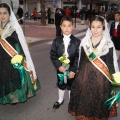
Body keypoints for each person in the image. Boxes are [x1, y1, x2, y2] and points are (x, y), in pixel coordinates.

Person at [68, 15, 119, 120]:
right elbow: (80, 60)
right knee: (85, 100)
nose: (95, 30)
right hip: (84, 77)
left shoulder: (108, 43)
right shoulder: (85, 42)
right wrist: (75, 72)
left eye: (98, 27)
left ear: (103, 28)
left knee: (99, 100)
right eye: (93, 27)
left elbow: (111, 63)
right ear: (90, 28)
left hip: (102, 79)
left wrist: (115, 80)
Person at [0, 3, 40, 104]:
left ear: (9, 14)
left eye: (5, 13)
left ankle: (15, 97)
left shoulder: (14, 28)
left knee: (13, 78)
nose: (2, 16)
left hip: (12, 58)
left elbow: (19, 45)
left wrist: (19, 59)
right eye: (0, 13)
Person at [50, 16, 80, 109]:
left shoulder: (77, 42)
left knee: (71, 84)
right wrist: (58, 66)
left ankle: (71, 101)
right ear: (60, 27)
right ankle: (60, 99)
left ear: (73, 27)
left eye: (69, 26)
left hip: (71, 69)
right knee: (61, 83)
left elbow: (78, 57)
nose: (66, 28)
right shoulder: (56, 41)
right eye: (64, 26)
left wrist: (74, 70)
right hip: (61, 68)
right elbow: (53, 55)